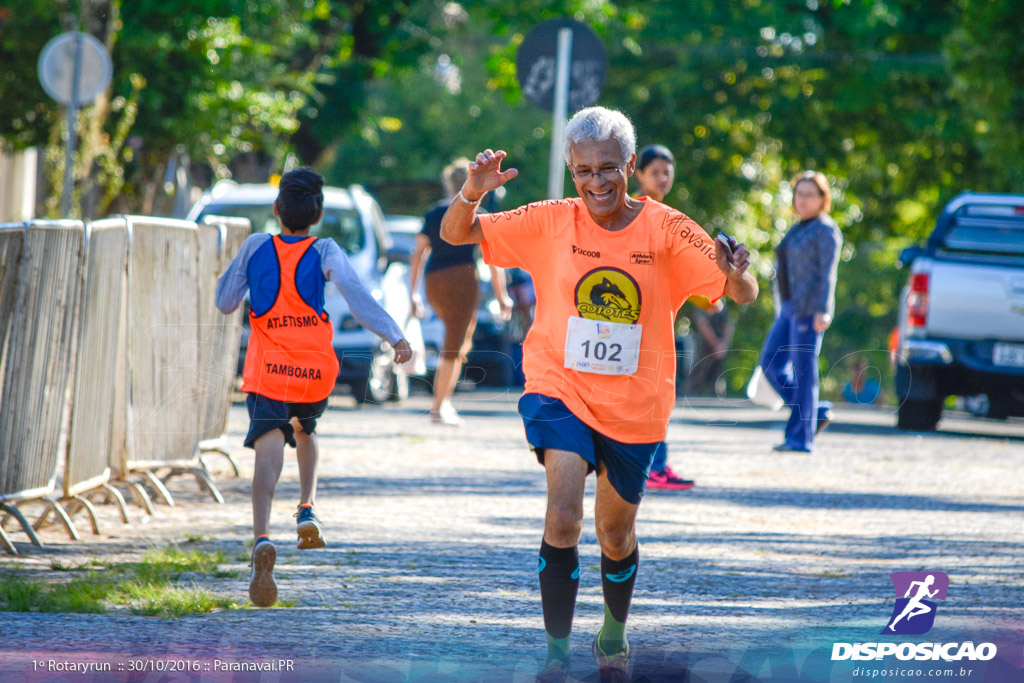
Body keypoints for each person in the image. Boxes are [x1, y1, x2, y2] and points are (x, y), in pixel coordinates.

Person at [440, 107, 758, 682]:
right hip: (559, 386)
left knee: (614, 534)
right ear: (569, 169)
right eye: (583, 171)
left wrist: (736, 270)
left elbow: (741, 291)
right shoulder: (550, 220)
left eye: (608, 168)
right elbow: (456, 233)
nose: (596, 182)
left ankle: (612, 633)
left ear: (630, 166)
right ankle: (556, 655)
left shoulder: (666, 228)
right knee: (562, 518)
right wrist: (472, 191)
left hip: (637, 404)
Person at [215, 168, 412, 607]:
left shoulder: (254, 247)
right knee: (305, 430)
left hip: (268, 369)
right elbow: (358, 295)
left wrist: (240, 272)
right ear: (317, 214)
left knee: (268, 451)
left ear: (276, 211)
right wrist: (394, 335)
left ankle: (261, 539)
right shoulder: (325, 250)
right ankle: (307, 507)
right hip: (313, 370)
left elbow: (225, 301)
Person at [409, 158, 512, 426]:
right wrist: (503, 297)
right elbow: (492, 259)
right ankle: (439, 407)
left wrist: (414, 293)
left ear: (447, 183)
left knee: (454, 341)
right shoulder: (474, 213)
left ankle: (443, 403)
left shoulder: (433, 212)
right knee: (454, 345)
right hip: (462, 279)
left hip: (434, 280)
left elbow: (418, 254)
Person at [759, 170, 842, 453]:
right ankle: (813, 413)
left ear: (822, 199)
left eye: (809, 194)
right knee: (770, 363)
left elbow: (828, 274)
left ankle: (800, 438)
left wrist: (824, 310)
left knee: (805, 373)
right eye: (799, 193)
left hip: (810, 310)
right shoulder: (797, 228)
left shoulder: (826, 230)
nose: (802, 199)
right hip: (789, 309)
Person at [632, 144, 696, 490]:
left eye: (667, 170)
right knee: (647, 394)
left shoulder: (669, 215)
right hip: (632, 317)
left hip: (659, 318)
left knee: (658, 393)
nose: (662, 176)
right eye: (655, 171)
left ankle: (655, 463)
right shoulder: (632, 212)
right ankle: (650, 465)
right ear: (638, 173)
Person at [686, 295, 735, 397]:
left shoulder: (722, 303)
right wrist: (717, 344)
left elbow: (729, 326)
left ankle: (718, 398)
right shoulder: (703, 300)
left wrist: (723, 345)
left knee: (718, 379)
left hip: (719, 347)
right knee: (697, 376)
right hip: (704, 346)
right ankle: (691, 398)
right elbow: (702, 324)